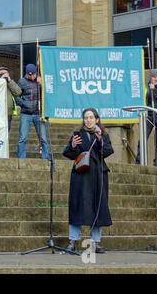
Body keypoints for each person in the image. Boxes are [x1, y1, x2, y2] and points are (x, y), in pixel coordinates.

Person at [62, 108, 114, 254]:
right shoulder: (77, 134)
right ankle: (72, 241)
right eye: (86, 118)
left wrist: (99, 140)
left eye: (91, 117)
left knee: (98, 206)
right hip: (81, 175)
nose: (89, 120)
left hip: (98, 175)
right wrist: (72, 146)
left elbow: (108, 151)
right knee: (77, 206)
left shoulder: (102, 134)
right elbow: (68, 153)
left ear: (97, 119)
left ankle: (96, 243)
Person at [15, 64, 49, 159]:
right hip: (25, 113)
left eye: (33, 74)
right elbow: (16, 95)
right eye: (29, 75)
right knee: (23, 138)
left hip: (38, 113)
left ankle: (45, 157)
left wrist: (42, 84)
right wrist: (24, 103)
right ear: (26, 73)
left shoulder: (40, 81)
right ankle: (21, 159)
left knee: (43, 138)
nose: (31, 76)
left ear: (36, 72)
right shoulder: (21, 82)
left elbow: (48, 93)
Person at [135, 70, 157, 167]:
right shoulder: (144, 88)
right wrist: (150, 90)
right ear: (150, 78)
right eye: (154, 77)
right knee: (142, 140)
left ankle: (156, 163)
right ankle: (138, 161)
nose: (156, 79)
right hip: (148, 117)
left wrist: (155, 90)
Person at [0, 66, 22, 131]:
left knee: (7, 131)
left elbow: (18, 92)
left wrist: (9, 80)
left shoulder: (10, 83)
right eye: (1, 74)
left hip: (8, 113)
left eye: (5, 73)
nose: (4, 75)